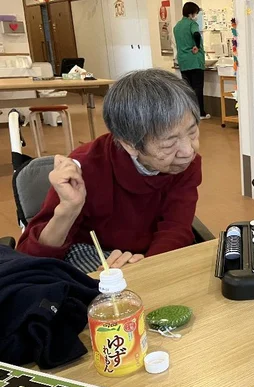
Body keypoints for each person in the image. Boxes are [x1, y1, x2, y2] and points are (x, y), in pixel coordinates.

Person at [17, 69, 203, 273]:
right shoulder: (85, 167)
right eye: (169, 143)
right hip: (93, 257)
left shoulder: (183, 163)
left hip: (149, 258)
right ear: (129, 144)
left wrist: (147, 269)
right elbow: (29, 259)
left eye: (192, 132)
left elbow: (175, 228)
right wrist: (69, 208)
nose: (188, 151)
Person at [174, 2, 210, 119]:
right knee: (198, 87)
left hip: (183, 61)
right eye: (196, 13)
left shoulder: (177, 26)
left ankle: (190, 113)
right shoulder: (192, 24)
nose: (196, 15)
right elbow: (196, 35)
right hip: (194, 60)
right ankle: (200, 113)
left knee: (187, 88)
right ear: (191, 13)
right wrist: (197, 47)